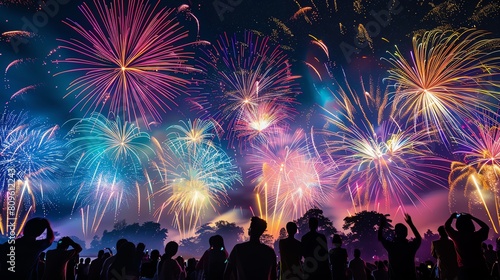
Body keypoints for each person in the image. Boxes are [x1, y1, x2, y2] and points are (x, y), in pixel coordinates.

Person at [445, 212, 489, 280]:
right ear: (471, 225)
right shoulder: (476, 236)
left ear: (458, 225)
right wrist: (472, 217)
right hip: (480, 266)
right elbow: (486, 227)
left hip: (464, 268)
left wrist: (452, 217)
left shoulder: (457, 237)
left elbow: (447, 226)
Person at [378, 213, 421, 280]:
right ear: (406, 234)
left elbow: (380, 238)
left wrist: (382, 225)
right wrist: (410, 223)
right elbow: (418, 239)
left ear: (395, 233)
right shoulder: (410, 246)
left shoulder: (392, 246)